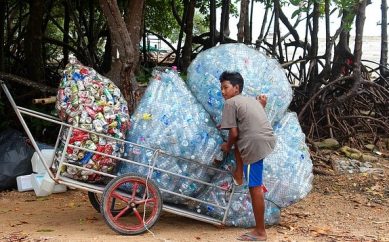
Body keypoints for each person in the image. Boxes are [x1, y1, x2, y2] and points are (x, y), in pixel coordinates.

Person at [219, 71, 276, 241]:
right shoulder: (250, 100)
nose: (223, 91)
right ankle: (239, 171)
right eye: (221, 88)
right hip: (266, 139)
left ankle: (260, 232)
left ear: (236, 88)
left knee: (255, 187)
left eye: (226, 87)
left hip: (254, 144)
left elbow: (234, 134)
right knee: (239, 145)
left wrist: (226, 146)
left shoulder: (230, 103)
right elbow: (250, 118)